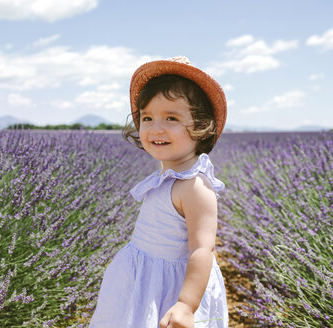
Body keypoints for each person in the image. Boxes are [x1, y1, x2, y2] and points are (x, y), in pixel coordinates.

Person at [89, 56, 229, 328]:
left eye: (171, 117)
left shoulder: (195, 187)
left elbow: (203, 249)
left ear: (200, 126)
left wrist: (186, 305)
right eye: (148, 117)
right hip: (141, 280)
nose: (156, 128)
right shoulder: (164, 178)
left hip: (170, 289)